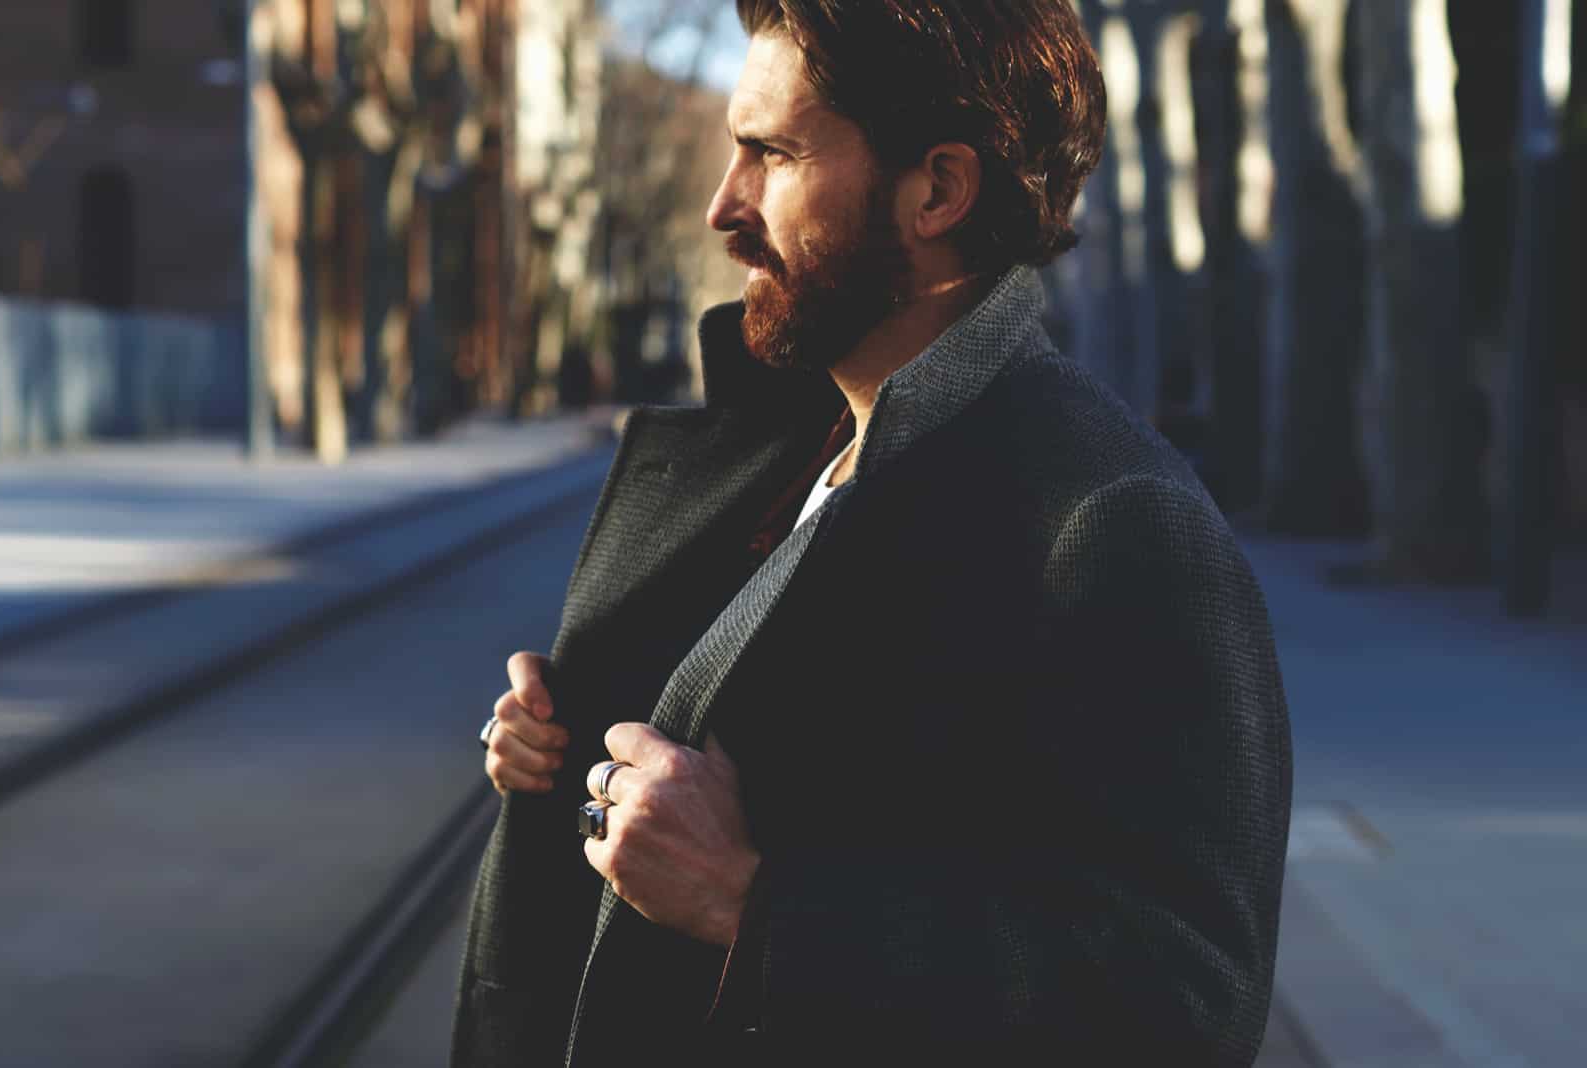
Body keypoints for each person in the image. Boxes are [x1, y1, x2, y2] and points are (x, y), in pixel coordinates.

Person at [451, 2, 1292, 1065]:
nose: (722, 205)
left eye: (772, 154)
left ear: (936, 189)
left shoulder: (1110, 517)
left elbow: (1185, 1005)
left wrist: (754, 907)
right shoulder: (788, 448)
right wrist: (566, 752)